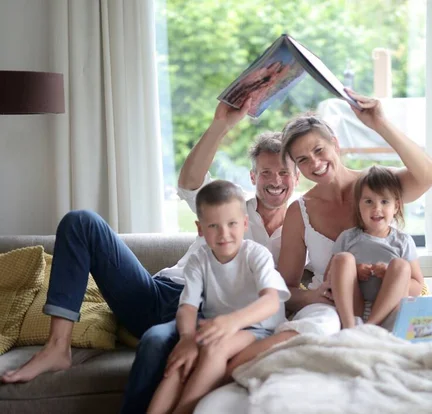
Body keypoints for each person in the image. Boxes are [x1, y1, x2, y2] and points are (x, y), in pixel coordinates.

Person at [0, 99, 310, 414]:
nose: (275, 180)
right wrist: (221, 124)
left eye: (284, 172)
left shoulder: (303, 230)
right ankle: (57, 346)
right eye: (266, 172)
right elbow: (190, 184)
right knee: (81, 222)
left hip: (206, 314)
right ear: (253, 176)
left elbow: (287, 292)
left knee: (155, 342)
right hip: (158, 292)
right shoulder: (230, 208)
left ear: (297, 178)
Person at [226, 88, 432, 371]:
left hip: (384, 305)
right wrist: (312, 296)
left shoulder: (376, 187)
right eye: (302, 159)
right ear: (296, 167)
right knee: (317, 327)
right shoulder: (300, 211)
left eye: (318, 150)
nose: (314, 163)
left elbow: (429, 176)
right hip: (329, 309)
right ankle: (228, 370)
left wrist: (379, 124)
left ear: (335, 144)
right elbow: (285, 287)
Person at [147, 180, 289, 414]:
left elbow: (271, 301)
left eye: (232, 224)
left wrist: (232, 322)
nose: (223, 234)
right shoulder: (198, 260)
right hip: (216, 329)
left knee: (215, 349)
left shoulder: (256, 255)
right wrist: (186, 339)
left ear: (244, 223)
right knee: (180, 364)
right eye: (213, 226)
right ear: (200, 229)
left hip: (257, 330)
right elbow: (188, 308)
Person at [326, 165, 424, 329]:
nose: (376, 208)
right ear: (359, 205)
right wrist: (354, 271)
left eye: (384, 201)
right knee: (343, 259)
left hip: (388, 312)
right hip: (352, 310)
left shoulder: (403, 241)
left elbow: (417, 287)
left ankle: (370, 327)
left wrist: (389, 274)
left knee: (401, 266)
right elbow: (329, 279)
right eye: (369, 201)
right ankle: (350, 327)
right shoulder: (348, 237)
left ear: (397, 206)